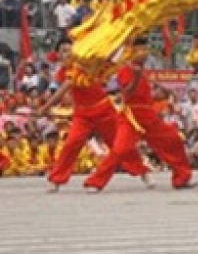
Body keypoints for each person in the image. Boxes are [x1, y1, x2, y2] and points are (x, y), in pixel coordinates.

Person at [38, 38, 152, 193]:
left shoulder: (85, 64)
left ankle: (142, 171)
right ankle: (56, 180)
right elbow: (63, 93)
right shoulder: (62, 72)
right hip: (82, 115)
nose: (68, 54)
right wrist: (48, 108)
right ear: (57, 55)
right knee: (71, 144)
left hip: (103, 110)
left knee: (119, 145)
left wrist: (45, 108)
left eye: (70, 50)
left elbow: (65, 88)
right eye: (63, 51)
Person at [83, 37, 197, 192]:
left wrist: (164, 93)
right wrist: (136, 76)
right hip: (131, 117)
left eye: (145, 50)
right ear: (131, 52)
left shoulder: (143, 72)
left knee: (174, 140)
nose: (144, 54)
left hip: (149, 116)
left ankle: (181, 178)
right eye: (140, 50)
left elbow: (148, 97)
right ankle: (95, 182)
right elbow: (127, 93)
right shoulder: (125, 70)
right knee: (120, 150)